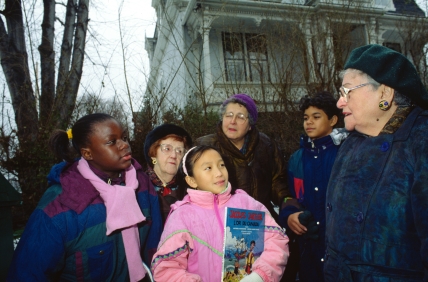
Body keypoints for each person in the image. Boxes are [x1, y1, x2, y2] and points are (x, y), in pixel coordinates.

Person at [7, 113, 162, 281]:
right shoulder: (61, 204)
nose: (125, 145)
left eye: (124, 138)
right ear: (87, 153)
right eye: (112, 141)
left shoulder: (143, 185)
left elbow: (156, 248)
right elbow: (28, 273)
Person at [324, 44, 428, 280]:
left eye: (347, 92)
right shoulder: (351, 143)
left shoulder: (421, 143)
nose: (340, 103)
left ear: (385, 94)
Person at [151, 145, 289, 282]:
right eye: (208, 168)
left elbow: (276, 241)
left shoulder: (245, 203)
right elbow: (166, 269)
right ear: (192, 180)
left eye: (221, 165)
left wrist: (259, 276)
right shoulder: (182, 216)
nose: (219, 173)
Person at [279, 92, 347, 282]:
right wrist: (290, 214)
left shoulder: (346, 154)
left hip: (340, 249)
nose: (309, 122)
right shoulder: (296, 159)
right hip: (308, 248)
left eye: (316, 117)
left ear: (333, 120)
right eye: (306, 118)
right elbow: (288, 196)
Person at [195, 93, 293, 219]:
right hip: (220, 221)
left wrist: (288, 203)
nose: (233, 121)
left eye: (240, 117)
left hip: (259, 219)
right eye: (228, 115)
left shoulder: (266, 145)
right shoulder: (204, 146)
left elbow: (277, 181)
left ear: (250, 125)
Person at [144, 124, 192, 223]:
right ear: (153, 154)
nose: (174, 155)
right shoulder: (139, 187)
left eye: (179, 151)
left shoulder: (191, 190)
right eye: (167, 149)